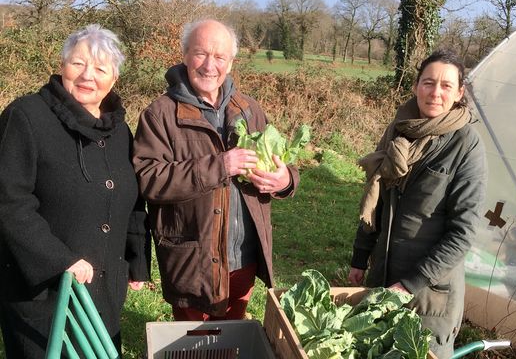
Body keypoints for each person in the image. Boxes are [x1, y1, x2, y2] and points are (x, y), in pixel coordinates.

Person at [132, 19, 299, 321]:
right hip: (192, 260)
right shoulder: (160, 115)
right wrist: (220, 166)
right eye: (201, 53)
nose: (210, 65)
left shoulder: (249, 109)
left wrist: (284, 179)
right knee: (194, 344)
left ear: (231, 61)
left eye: (220, 56)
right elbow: (148, 179)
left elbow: (282, 161)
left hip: (243, 259)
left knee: (231, 338)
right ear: (184, 55)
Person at [0, 24, 151, 358]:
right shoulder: (26, 116)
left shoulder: (119, 129)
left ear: (114, 78)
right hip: (42, 291)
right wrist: (60, 260)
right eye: (78, 63)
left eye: (100, 68)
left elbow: (133, 198)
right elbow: (9, 201)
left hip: (104, 288)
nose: (88, 76)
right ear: (62, 65)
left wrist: (137, 260)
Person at [348, 49, 487, 359]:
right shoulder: (399, 131)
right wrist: (360, 257)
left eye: (446, 85)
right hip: (383, 276)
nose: (435, 93)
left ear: (459, 92)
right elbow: (377, 200)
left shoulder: (466, 145)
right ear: (416, 86)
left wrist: (410, 285)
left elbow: (462, 233)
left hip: (428, 293)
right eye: (428, 82)